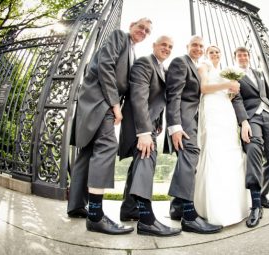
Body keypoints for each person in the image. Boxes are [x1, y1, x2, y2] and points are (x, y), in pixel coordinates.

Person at [66, 17, 152, 235]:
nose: (143, 31)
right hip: (100, 101)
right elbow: (105, 66)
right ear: (131, 26)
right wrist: (115, 105)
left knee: (88, 152)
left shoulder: (132, 51)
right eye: (140, 26)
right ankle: (95, 215)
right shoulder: (119, 37)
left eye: (147, 30)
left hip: (99, 101)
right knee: (106, 147)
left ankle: (76, 206)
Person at [118, 35, 181, 237]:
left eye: (170, 46)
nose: (167, 48)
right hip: (140, 126)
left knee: (139, 164)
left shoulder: (162, 68)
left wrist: (158, 122)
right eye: (163, 44)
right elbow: (138, 97)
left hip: (150, 125)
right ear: (154, 45)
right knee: (147, 160)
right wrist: (144, 132)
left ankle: (129, 209)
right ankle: (146, 220)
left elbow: (158, 99)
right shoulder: (145, 62)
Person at [165, 35, 222, 234]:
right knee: (190, 156)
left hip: (194, 119)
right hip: (183, 120)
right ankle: (189, 217)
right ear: (187, 46)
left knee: (188, 161)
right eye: (195, 45)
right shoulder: (181, 62)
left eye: (201, 46)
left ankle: (177, 207)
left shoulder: (195, 66)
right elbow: (174, 95)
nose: (198, 48)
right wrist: (175, 126)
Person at [193, 45, 248, 226]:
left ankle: (232, 206)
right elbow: (204, 87)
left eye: (217, 52)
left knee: (229, 153)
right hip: (212, 109)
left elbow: (227, 94)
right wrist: (227, 85)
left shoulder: (224, 71)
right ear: (207, 55)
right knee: (214, 151)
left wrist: (231, 92)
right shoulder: (204, 65)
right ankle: (212, 208)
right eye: (211, 51)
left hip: (225, 109)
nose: (215, 54)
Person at [231, 47, 269, 228]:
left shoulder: (259, 73)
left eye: (245, 55)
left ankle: (263, 195)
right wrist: (244, 122)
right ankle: (255, 204)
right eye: (239, 55)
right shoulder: (233, 75)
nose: (243, 57)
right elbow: (236, 99)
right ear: (235, 58)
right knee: (254, 149)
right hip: (251, 116)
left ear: (249, 57)